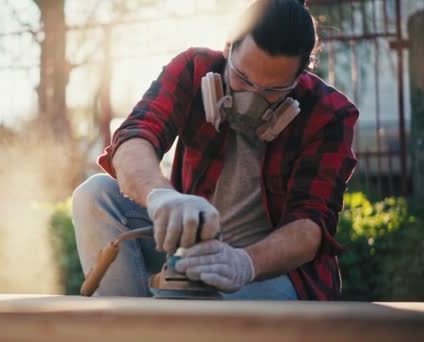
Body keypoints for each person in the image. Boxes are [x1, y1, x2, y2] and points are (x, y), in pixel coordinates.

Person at [72, 0, 358, 300]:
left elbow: (310, 227)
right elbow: (134, 137)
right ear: (228, 47)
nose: (252, 98)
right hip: (189, 244)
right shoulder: (193, 69)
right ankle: (121, 325)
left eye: (273, 90)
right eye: (243, 79)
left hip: (272, 271)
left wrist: (245, 263)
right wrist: (160, 196)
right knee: (96, 194)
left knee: (186, 300)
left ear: (303, 74)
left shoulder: (330, 114)